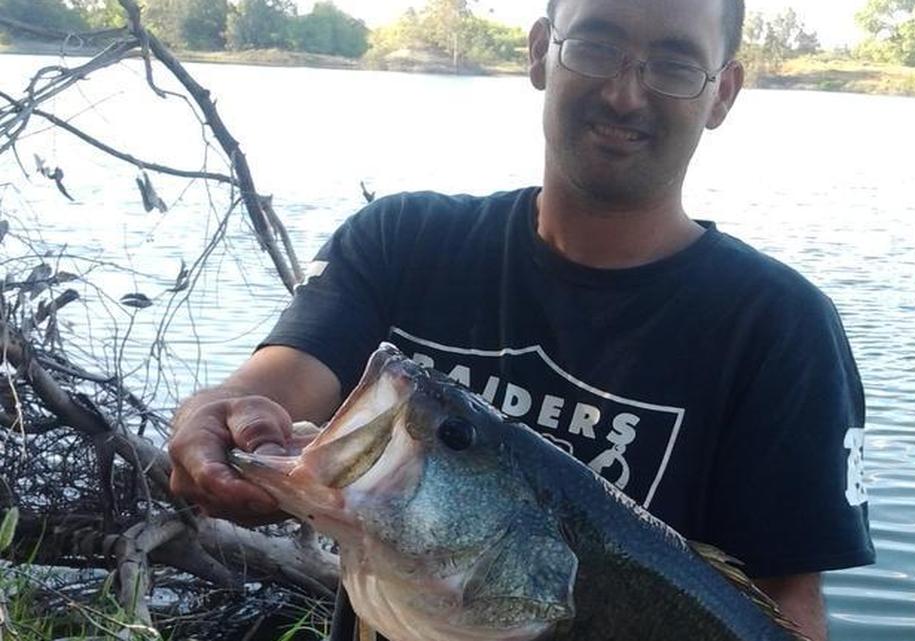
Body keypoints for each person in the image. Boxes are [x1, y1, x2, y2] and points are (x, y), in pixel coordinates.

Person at [168, 0, 875, 639]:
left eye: (675, 64)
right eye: (596, 45)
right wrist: (219, 421)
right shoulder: (402, 242)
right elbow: (268, 388)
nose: (625, 93)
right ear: (540, 51)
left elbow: (789, 609)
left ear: (723, 92)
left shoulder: (781, 329)